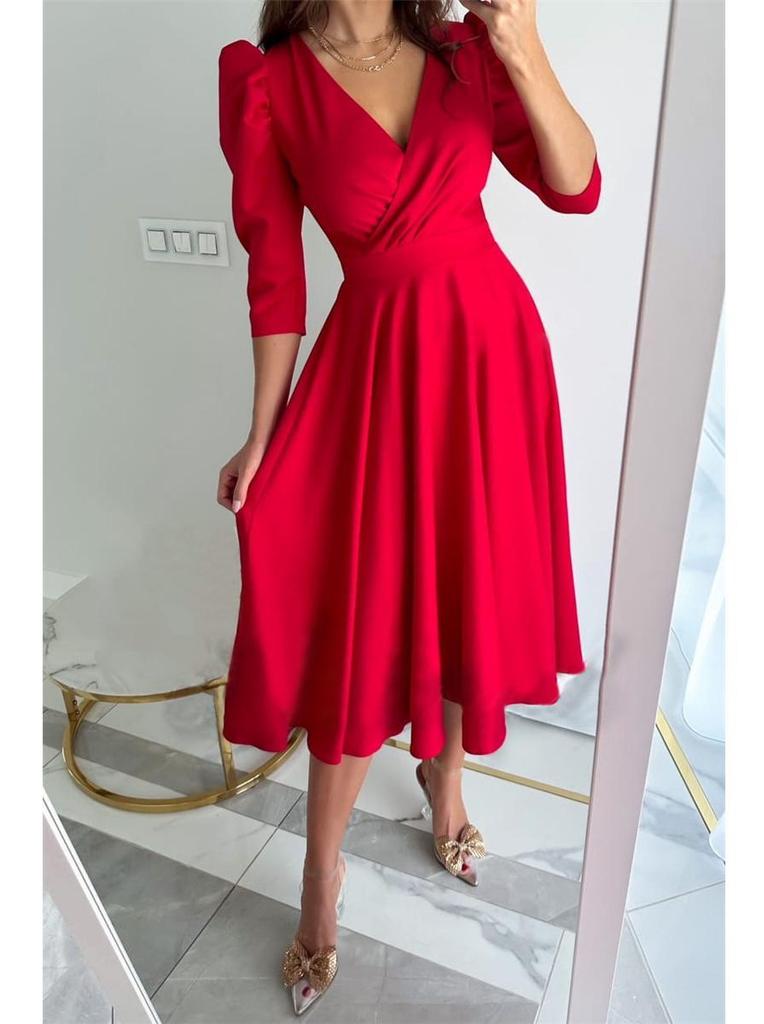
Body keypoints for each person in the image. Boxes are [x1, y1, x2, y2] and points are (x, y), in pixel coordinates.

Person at [216, 0, 600, 1013]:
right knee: (362, 636)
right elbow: (276, 274)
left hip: (489, 363)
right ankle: (320, 876)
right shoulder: (268, 84)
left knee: (467, 590)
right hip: (379, 375)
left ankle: (448, 780)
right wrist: (263, 431)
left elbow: (577, 186)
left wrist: (524, 48)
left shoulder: (466, 49)